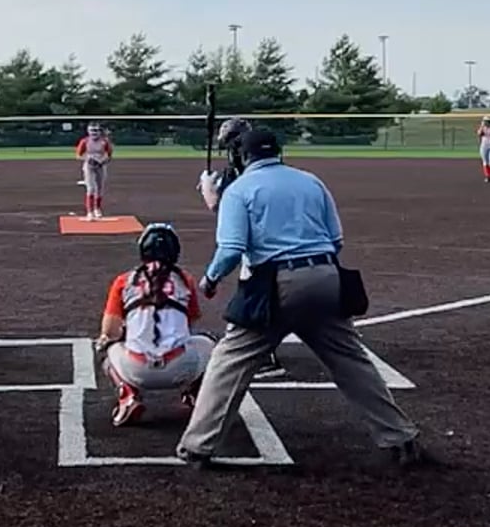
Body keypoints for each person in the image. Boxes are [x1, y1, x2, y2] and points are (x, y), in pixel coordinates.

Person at [179, 128, 425, 468]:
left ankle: (199, 446)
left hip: (276, 284)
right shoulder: (311, 182)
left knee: (230, 361)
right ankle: (401, 437)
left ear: (242, 157)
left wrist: (210, 279)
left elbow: (232, 249)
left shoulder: (239, 190)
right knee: (351, 361)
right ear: (278, 152)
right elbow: (335, 240)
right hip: (327, 278)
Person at [95, 223, 215, 427]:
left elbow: (110, 331)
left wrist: (129, 331)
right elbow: (190, 322)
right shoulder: (184, 280)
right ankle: (195, 393)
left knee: (108, 346)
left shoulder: (125, 280)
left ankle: (128, 396)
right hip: (180, 368)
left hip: (136, 369)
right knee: (209, 343)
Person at [197, 117, 285, 380]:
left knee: (255, 298)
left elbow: (224, 209)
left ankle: (265, 357)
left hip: (260, 246)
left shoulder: (242, 171)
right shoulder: (265, 167)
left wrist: (210, 193)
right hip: (275, 240)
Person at [76, 123, 113, 220]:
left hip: (101, 166)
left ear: (100, 132)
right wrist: (88, 159)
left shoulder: (104, 142)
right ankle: (90, 211)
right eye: (92, 130)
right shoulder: (85, 141)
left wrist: (103, 160)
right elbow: (78, 155)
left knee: (100, 189)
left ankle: (97, 209)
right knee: (91, 188)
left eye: (96, 130)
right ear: (88, 131)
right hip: (89, 167)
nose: (94, 133)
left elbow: (109, 155)